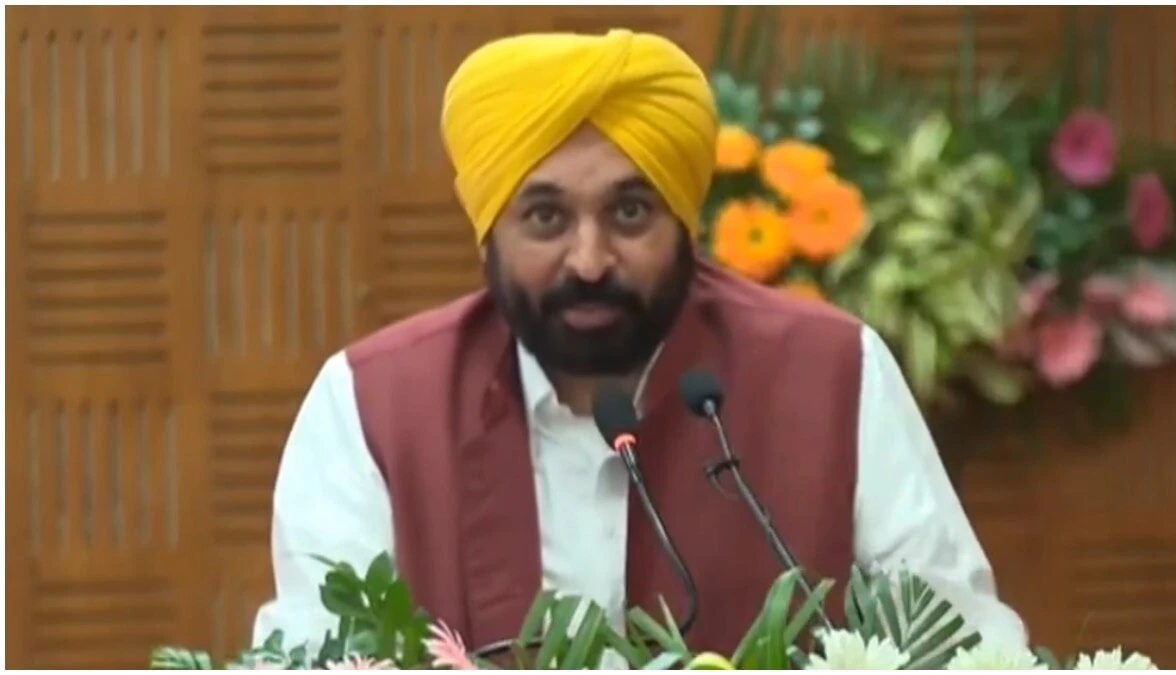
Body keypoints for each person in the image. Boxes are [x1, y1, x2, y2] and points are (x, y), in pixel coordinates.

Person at [253, 28, 1027, 659]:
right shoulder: (373, 405)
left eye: (629, 214)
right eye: (546, 218)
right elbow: (316, 652)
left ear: (684, 224)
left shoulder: (833, 375)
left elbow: (962, 646)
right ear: (488, 233)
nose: (590, 260)